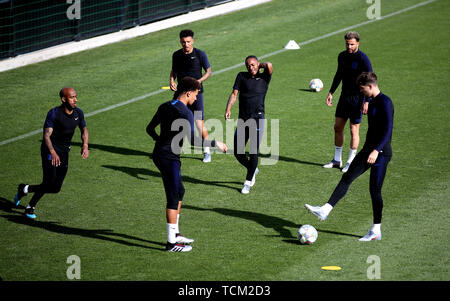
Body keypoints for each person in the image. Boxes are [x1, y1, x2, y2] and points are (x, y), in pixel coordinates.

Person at [305, 72, 393, 241]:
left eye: (362, 90)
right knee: (347, 177)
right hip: (368, 149)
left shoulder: (385, 102)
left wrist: (376, 151)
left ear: (370, 86)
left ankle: (376, 230)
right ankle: (325, 210)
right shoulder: (372, 101)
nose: (361, 93)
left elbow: (388, 131)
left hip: (380, 154)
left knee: (374, 190)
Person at [147, 77, 227, 252]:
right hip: (169, 158)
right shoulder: (185, 113)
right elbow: (193, 140)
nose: (197, 98)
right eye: (196, 94)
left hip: (161, 154)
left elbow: (149, 129)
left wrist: (160, 141)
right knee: (173, 196)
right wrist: (216, 144)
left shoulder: (165, 105)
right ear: (189, 93)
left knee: (180, 190)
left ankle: (175, 234)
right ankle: (171, 243)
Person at [13, 87, 89, 219]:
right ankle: (30, 207)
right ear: (64, 99)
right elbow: (46, 135)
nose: (75, 100)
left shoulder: (78, 113)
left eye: (75, 96)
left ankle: (25, 189)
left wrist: (85, 145)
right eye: (72, 97)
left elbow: (84, 129)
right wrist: (52, 152)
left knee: (56, 188)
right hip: (50, 151)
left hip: (64, 152)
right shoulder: (54, 113)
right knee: (48, 182)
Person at [324, 31, 373, 172]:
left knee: (353, 130)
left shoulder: (363, 59)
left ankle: (351, 162)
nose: (349, 47)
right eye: (347, 44)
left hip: (358, 98)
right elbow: (339, 74)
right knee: (337, 127)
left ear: (358, 43)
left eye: (352, 44)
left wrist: (367, 101)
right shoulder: (342, 56)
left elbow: (370, 80)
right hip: (344, 97)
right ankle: (336, 160)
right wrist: (331, 92)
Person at [225, 56, 273, 194]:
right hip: (243, 119)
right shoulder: (241, 76)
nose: (250, 68)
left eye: (253, 65)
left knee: (253, 151)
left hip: (257, 119)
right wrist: (228, 109)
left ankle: (247, 181)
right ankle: (252, 168)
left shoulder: (264, 78)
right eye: (248, 66)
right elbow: (234, 94)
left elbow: (269, 65)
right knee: (238, 152)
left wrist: (260, 65)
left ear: (257, 64)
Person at [170, 29, 213, 163]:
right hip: (181, 94)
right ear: (180, 42)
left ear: (193, 41)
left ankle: (207, 151)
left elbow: (208, 71)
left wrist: (198, 82)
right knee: (175, 120)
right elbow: (174, 71)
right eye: (183, 42)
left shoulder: (200, 54)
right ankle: (174, 149)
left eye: (188, 42)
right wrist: (171, 80)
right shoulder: (176, 55)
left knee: (199, 124)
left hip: (196, 94)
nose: (186, 44)